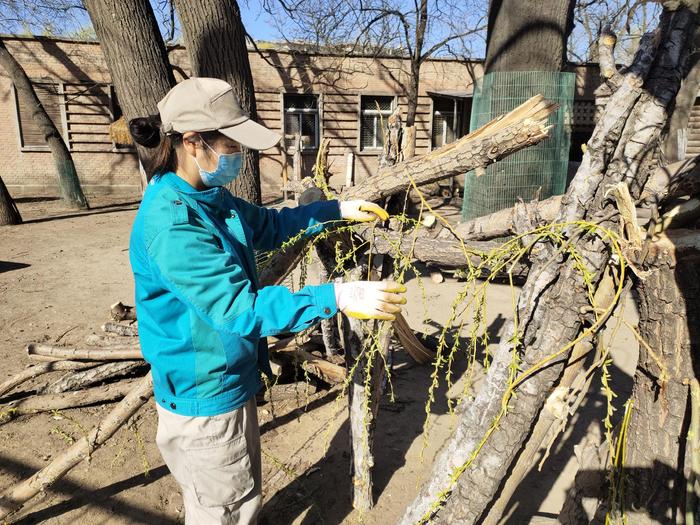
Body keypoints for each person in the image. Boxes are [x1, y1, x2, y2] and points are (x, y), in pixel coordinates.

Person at [128, 77, 406, 525]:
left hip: (227, 381)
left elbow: (271, 226)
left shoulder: (207, 197)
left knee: (239, 498)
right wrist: (335, 296)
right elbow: (242, 309)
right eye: (231, 142)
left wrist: (333, 210)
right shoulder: (173, 224)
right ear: (192, 141)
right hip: (205, 397)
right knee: (225, 511)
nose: (239, 154)